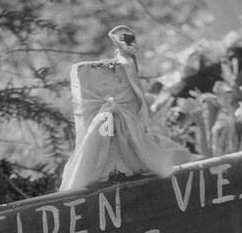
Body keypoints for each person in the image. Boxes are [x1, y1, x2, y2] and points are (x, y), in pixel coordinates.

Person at [60, 25, 191, 192]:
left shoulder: (127, 64)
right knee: (105, 143)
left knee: (132, 147)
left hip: (126, 120)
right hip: (108, 119)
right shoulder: (105, 116)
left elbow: (136, 93)